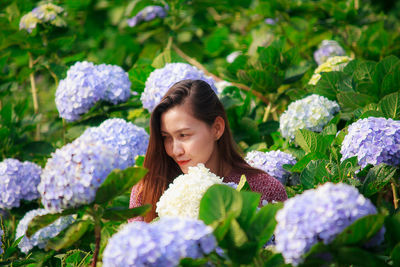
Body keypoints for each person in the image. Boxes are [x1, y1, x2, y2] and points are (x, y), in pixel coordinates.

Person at [129, 79, 287, 222]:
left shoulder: (265, 189)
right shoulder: (146, 191)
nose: (175, 150)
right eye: (166, 137)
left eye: (183, 135)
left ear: (217, 128)